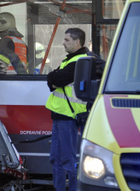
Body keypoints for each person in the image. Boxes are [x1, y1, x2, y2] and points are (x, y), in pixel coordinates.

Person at [45, 28, 88, 191]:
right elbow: (52, 78)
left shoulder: (79, 61)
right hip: (60, 114)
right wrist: (53, 79)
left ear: (77, 42)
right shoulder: (71, 60)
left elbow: (56, 78)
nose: (63, 43)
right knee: (56, 158)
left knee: (67, 160)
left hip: (68, 115)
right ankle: (59, 188)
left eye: (67, 40)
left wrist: (54, 79)